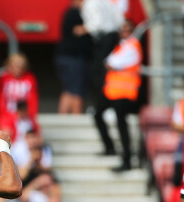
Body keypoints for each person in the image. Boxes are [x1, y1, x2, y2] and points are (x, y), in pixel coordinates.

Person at [93, 19, 142, 171]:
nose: (124, 31)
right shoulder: (121, 46)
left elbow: (112, 63)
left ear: (132, 30)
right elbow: (108, 61)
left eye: (127, 28)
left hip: (125, 93)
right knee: (97, 114)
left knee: (122, 125)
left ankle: (127, 160)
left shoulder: (133, 45)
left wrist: (111, 64)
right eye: (122, 29)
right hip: (113, 92)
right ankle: (110, 147)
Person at [55, 0, 91, 114]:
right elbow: (78, 30)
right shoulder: (74, 13)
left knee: (69, 89)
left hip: (66, 56)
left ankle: (63, 117)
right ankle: (76, 117)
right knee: (76, 91)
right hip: (73, 58)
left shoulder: (70, 13)